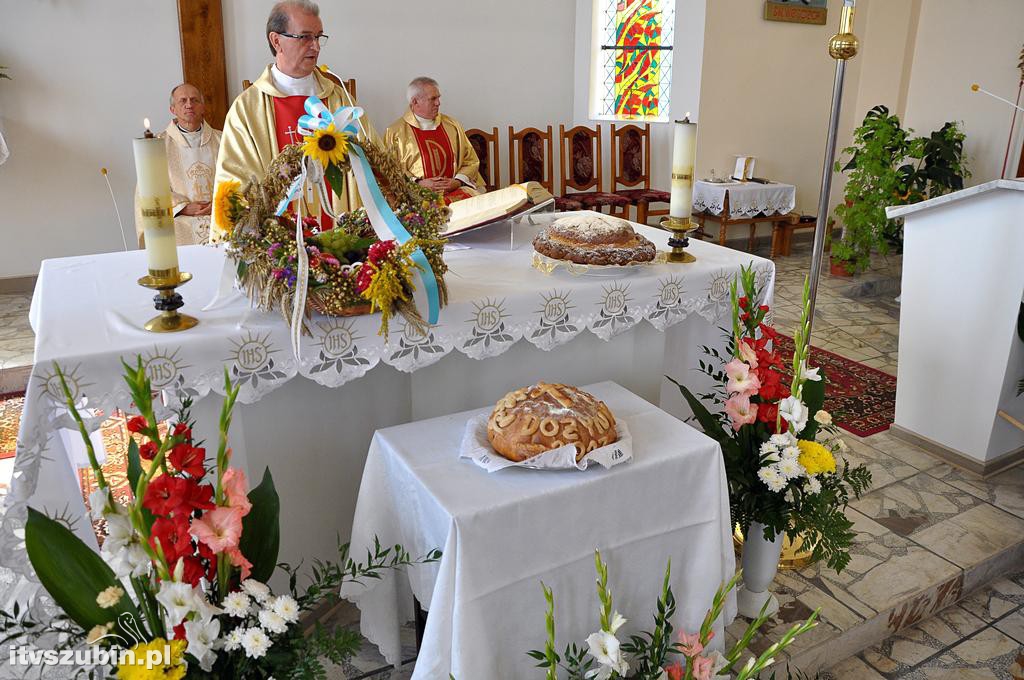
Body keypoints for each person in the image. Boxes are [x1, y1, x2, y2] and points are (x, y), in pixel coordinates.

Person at [211, 0, 377, 241]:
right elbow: (235, 186)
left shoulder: (339, 98)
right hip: (279, 253)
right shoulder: (248, 109)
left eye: (319, 37)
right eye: (306, 37)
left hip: (344, 243)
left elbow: (374, 162)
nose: (316, 47)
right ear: (276, 40)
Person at [140, 83, 222, 246]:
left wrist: (220, 203)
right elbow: (149, 189)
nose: (189, 105)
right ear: (173, 109)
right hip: (179, 221)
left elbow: (238, 177)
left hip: (220, 216)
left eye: (194, 100)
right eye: (182, 101)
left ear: (203, 107)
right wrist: (182, 207)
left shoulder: (223, 139)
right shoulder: (158, 146)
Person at [384, 77, 485, 204]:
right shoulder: (395, 133)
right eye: (433, 99)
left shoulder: (452, 125)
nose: (438, 103)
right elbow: (390, 171)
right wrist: (419, 183)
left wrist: (457, 181)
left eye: (438, 97)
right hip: (418, 195)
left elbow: (470, 160)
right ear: (415, 102)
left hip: (455, 191)